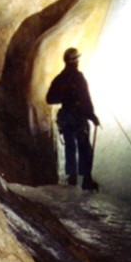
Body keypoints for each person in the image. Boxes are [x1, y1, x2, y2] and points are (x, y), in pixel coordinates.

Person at [46, 47, 100, 190]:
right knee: (84, 147)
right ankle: (86, 179)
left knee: (70, 146)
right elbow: (85, 98)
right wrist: (92, 116)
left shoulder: (59, 79)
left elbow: (50, 98)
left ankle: (72, 178)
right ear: (75, 61)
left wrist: (64, 96)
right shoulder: (78, 77)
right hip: (78, 117)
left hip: (66, 117)